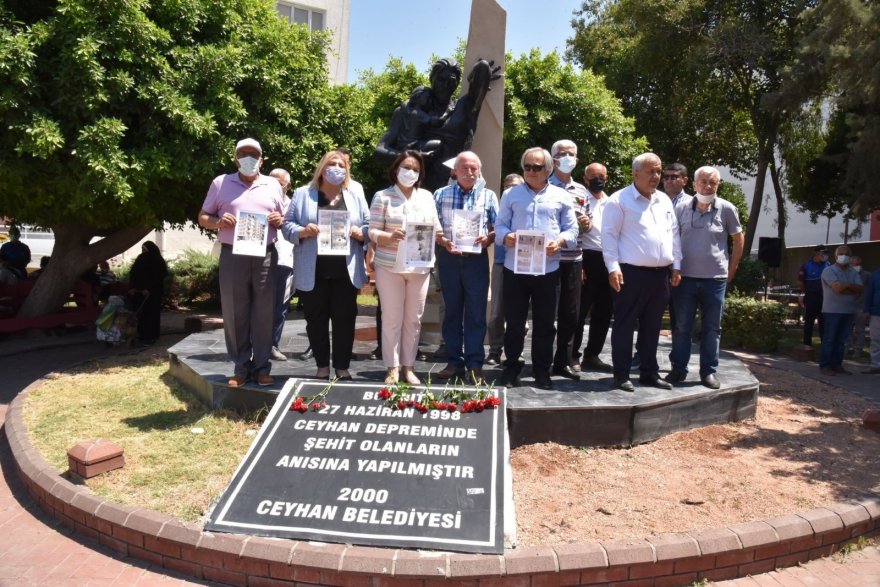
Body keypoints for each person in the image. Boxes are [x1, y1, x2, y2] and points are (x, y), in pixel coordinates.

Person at [198, 138, 285, 387]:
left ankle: (262, 367)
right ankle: (240, 367)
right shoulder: (220, 183)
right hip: (233, 254)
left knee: (264, 311)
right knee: (235, 311)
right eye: (243, 153)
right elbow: (203, 216)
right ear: (235, 158)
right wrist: (217, 222)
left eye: (253, 154)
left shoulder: (273, 184)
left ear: (262, 159)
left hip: (266, 254)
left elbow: (284, 216)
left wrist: (279, 219)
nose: (248, 158)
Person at [494, 147, 579, 390]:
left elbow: (572, 230)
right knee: (515, 322)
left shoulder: (562, 196)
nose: (531, 171)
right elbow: (499, 226)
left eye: (536, 167)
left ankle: (542, 370)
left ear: (548, 170)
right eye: (527, 167)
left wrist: (560, 242)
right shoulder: (511, 194)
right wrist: (506, 236)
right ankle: (511, 367)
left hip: (548, 268)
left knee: (544, 323)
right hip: (515, 268)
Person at [282, 151, 370, 381]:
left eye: (341, 164)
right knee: (316, 320)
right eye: (332, 163)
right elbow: (286, 225)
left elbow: (369, 225)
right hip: (314, 270)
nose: (337, 167)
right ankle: (322, 366)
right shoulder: (303, 194)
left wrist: (361, 233)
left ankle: (342, 366)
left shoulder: (355, 195)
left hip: (345, 270)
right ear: (322, 167)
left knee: (345, 320)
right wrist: (302, 231)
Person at [602, 152, 681, 392]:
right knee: (625, 325)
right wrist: (612, 268)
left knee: (653, 326)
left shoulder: (664, 201)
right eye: (651, 171)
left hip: (660, 275)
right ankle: (622, 374)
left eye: (658, 171)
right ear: (635, 173)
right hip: (630, 273)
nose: (656, 176)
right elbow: (609, 236)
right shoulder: (619, 200)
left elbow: (674, 234)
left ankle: (649, 372)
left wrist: (677, 264)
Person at [369, 150, 443, 385]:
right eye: (406, 167)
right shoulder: (383, 196)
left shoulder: (427, 197)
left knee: (413, 320)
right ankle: (392, 367)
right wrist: (388, 236)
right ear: (396, 168)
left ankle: (409, 367)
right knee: (392, 318)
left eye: (415, 169)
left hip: (419, 267)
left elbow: (436, 227)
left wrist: (446, 236)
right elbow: (371, 230)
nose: (410, 172)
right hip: (389, 266)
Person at [666, 166, 744, 389]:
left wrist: (733, 268)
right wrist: (674, 268)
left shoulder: (727, 209)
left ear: (718, 185)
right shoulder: (681, 208)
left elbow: (738, 239)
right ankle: (678, 369)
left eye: (713, 183)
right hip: (684, 278)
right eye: (703, 181)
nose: (708, 186)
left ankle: (708, 371)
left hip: (715, 280)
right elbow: (673, 239)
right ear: (694, 184)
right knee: (681, 326)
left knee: (712, 328)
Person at [374, 58, 498, 192]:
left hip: (452, 189)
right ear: (431, 79)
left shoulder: (463, 108)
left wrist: (473, 77)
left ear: (457, 83)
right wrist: (411, 158)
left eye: (451, 81)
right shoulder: (410, 111)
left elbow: (482, 67)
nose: (445, 85)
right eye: (440, 79)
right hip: (414, 188)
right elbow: (379, 151)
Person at [433, 151, 499, 384]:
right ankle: (454, 361)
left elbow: (497, 228)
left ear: (479, 171)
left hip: (476, 260)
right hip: (449, 259)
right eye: (465, 168)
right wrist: (443, 241)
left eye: (474, 169)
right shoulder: (440, 194)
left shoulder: (489, 196)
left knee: (476, 313)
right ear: (455, 171)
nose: (470, 172)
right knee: (451, 312)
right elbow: (432, 228)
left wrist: (488, 238)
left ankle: (475, 364)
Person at [548, 140, 592, 380]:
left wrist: (587, 223)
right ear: (553, 159)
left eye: (571, 154)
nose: (567, 157)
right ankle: (542, 360)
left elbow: (588, 222)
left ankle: (563, 361)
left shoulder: (582, 191)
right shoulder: (545, 186)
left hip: (574, 260)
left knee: (571, 314)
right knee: (546, 314)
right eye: (562, 154)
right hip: (550, 259)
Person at [572, 162, 614, 373]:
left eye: (602, 176)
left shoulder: (612, 202)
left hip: (608, 259)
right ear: (585, 178)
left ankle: (593, 354)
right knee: (580, 311)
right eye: (593, 176)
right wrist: (579, 264)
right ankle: (573, 356)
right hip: (586, 258)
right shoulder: (579, 199)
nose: (598, 179)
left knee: (604, 312)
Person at [486, 173, 523, 366]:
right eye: (507, 186)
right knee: (496, 312)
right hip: (501, 264)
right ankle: (494, 350)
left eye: (515, 186)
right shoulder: (498, 207)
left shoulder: (525, 206)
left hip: (523, 264)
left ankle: (515, 351)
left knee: (520, 315)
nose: (511, 189)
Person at [818, 245, 863, 376]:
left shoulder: (853, 272)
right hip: (832, 310)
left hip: (848, 310)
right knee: (830, 339)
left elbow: (860, 289)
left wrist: (845, 286)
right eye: (841, 253)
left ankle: (837, 364)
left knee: (841, 340)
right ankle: (825, 366)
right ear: (836, 256)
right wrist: (850, 286)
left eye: (847, 254)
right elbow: (837, 289)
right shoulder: (829, 271)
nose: (844, 256)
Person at [269, 168, 294, 362]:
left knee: (280, 307)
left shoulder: (293, 205)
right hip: (263, 261)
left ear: (288, 185)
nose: (276, 185)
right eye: (272, 181)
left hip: (287, 261)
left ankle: (273, 345)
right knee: (259, 306)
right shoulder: (262, 202)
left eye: (280, 182)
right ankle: (254, 345)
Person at [128, 241, 168, 346]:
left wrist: (149, 289)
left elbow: (159, 276)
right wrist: (132, 287)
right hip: (140, 292)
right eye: (142, 250)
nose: (143, 252)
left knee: (151, 314)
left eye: (145, 250)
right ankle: (142, 335)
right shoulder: (140, 258)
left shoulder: (157, 260)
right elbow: (133, 273)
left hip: (152, 293)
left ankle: (151, 336)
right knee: (141, 314)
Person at [799, 245, 830, 346]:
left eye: (826, 253)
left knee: (824, 323)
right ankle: (806, 344)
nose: (825, 255)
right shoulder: (807, 265)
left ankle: (824, 345)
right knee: (809, 321)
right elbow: (801, 282)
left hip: (824, 297)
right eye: (823, 253)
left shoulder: (828, 265)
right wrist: (803, 294)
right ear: (817, 254)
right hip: (811, 296)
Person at [846, 255, 871, 357]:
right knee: (847, 329)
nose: (854, 266)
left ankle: (858, 350)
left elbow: (870, 291)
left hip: (861, 306)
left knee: (860, 330)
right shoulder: (847, 274)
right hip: (848, 305)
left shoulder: (867, 275)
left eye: (856, 264)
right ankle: (847, 348)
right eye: (852, 264)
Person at [862, 266, 880, 375]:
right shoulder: (876, 274)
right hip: (876, 313)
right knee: (875, 340)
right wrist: (866, 309)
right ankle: (875, 365)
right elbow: (869, 292)